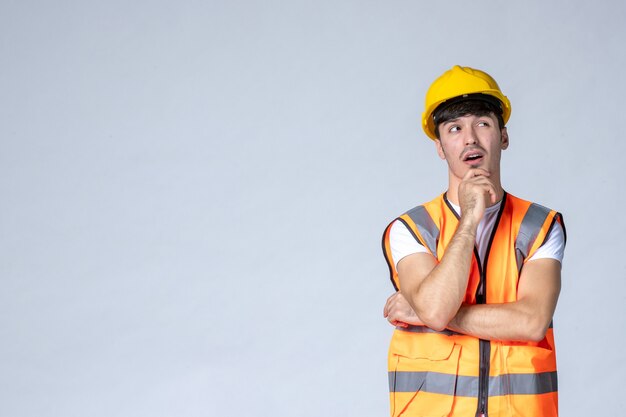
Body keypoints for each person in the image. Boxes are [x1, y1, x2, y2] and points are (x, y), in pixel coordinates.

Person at [381, 65, 566, 417]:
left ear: (504, 136)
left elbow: (531, 321)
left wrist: (426, 314)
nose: (470, 139)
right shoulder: (411, 228)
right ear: (440, 147)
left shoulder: (540, 226)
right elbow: (435, 308)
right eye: (454, 128)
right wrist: (469, 219)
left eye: (482, 123)